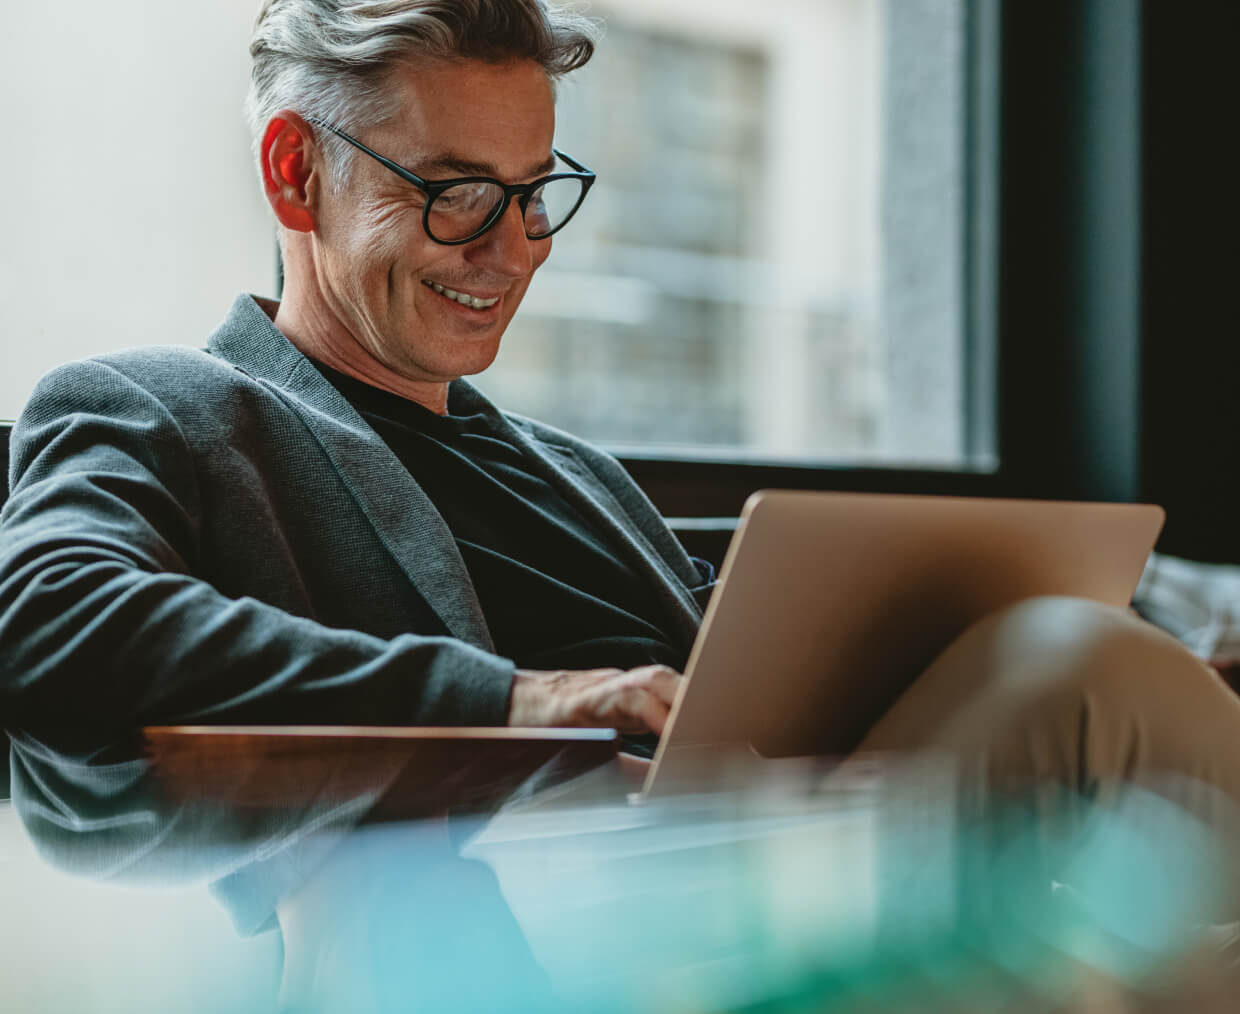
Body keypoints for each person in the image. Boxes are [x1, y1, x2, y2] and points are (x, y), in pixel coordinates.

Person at [4, 0, 1240, 962]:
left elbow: (767, 649)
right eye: (455, 196)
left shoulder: (577, 474)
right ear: (293, 172)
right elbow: (54, 627)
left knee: (1102, 698)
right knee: (1084, 680)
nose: (515, 248)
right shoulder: (158, 406)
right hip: (524, 903)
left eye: (537, 191)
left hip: (788, 844)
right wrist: (519, 703)